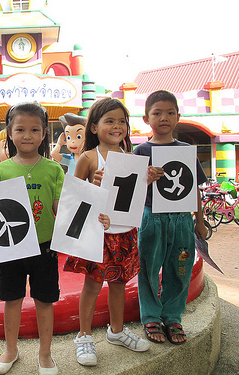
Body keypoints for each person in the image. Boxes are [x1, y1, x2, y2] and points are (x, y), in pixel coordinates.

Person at [0, 102, 66, 375]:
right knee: (11, 299)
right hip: (10, 247)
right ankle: (10, 350)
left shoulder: (54, 169)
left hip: (45, 247)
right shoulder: (2, 170)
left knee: (44, 300)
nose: (27, 135)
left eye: (35, 129)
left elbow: (62, 209)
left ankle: (45, 354)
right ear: (9, 134)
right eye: (20, 129)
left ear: (44, 134)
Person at [64, 98, 150, 367]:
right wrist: (93, 183)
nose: (117, 126)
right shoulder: (89, 158)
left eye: (122, 121)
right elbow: (73, 197)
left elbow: (134, 196)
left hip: (124, 231)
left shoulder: (131, 159)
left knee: (119, 282)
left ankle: (116, 330)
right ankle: (84, 336)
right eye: (109, 120)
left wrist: (149, 177)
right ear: (93, 127)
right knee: (91, 285)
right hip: (98, 233)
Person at [134, 90, 207, 345]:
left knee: (180, 268)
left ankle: (173, 316)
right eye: (157, 113)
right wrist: (145, 178)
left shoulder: (186, 150)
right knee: (148, 269)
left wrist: (199, 220)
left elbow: (194, 187)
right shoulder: (140, 151)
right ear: (146, 118)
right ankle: (151, 316)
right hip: (151, 218)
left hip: (182, 220)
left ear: (178, 117)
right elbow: (130, 190)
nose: (163, 118)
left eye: (170, 113)